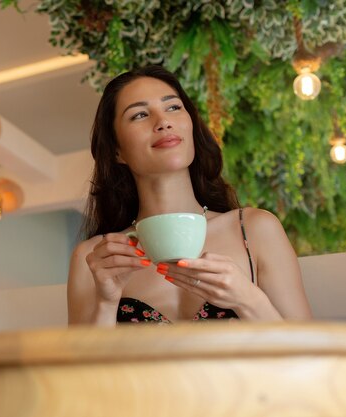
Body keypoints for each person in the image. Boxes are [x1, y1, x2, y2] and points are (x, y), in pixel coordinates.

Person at [68, 65, 312, 325]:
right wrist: (106, 303)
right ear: (117, 151)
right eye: (139, 115)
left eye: (173, 107)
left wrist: (248, 300)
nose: (163, 122)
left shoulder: (254, 230)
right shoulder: (95, 258)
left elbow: (311, 360)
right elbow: (85, 366)